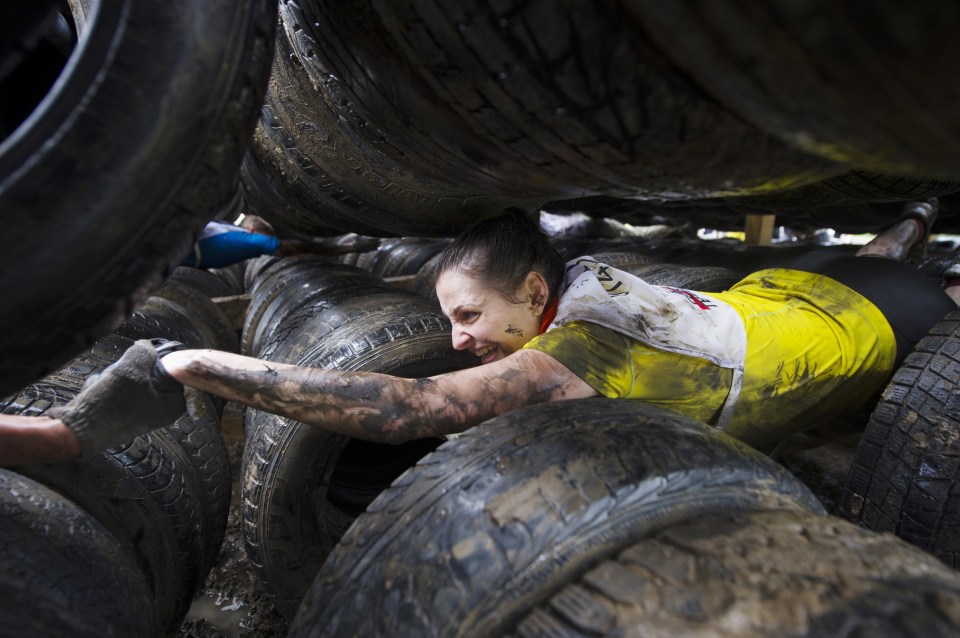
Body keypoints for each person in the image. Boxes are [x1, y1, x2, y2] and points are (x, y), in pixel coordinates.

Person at [3, 200, 957, 464]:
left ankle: (921, 223)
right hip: (786, 288)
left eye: (468, 316)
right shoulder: (577, 294)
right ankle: (911, 216)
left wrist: (187, 359)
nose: (458, 339)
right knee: (879, 247)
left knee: (904, 267)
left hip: (879, 321)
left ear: (536, 291)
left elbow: (401, 408)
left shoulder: (571, 355)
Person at [181, 214, 381, 269]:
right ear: (253, 231)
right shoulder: (249, 241)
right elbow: (292, 248)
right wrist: (351, 247)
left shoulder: (226, 227)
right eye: (270, 237)